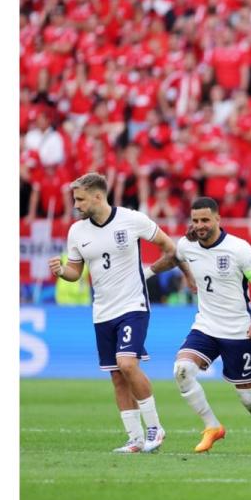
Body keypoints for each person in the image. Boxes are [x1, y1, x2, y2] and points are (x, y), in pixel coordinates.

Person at [48, 172, 193, 453]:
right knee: (116, 375)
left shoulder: (132, 219)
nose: (75, 205)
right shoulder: (77, 232)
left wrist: (158, 272)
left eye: (80, 199)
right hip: (102, 310)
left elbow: (169, 248)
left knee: (127, 364)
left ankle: (155, 428)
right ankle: (135, 439)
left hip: (132, 305)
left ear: (98, 196)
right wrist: (61, 271)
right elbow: (75, 272)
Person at [155, 197, 251, 454]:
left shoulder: (239, 249)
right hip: (206, 325)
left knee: (248, 398)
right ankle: (212, 426)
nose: (200, 225)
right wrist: (176, 275)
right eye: (196, 220)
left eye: (205, 220)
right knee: (182, 370)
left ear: (217, 219)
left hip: (238, 329)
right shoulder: (187, 245)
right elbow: (175, 257)